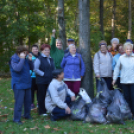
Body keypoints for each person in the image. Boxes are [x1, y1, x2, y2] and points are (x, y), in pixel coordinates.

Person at [9, 46, 33, 125]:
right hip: (18, 84)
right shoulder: (14, 59)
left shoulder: (25, 59)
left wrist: (30, 60)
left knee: (28, 101)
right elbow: (17, 69)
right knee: (19, 103)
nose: (25, 54)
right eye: (24, 52)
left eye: (26, 52)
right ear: (19, 53)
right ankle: (16, 119)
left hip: (27, 83)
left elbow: (32, 68)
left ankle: (27, 115)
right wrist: (22, 59)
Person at [113, 42, 134, 118]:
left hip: (133, 81)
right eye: (127, 49)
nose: (129, 50)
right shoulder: (121, 58)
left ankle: (133, 113)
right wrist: (114, 79)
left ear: (132, 49)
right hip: (124, 81)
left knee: (133, 97)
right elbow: (117, 69)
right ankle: (128, 113)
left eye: (130, 49)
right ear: (125, 49)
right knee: (126, 97)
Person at [34, 44, 55, 116]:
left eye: (48, 50)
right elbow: (35, 69)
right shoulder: (39, 59)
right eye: (45, 50)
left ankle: (48, 109)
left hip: (50, 80)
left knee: (49, 96)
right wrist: (43, 74)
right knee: (41, 96)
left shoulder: (51, 59)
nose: (47, 51)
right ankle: (42, 111)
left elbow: (53, 69)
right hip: (41, 81)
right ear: (42, 51)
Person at [30, 45, 40, 109]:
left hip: (39, 77)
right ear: (32, 50)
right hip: (31, 77)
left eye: (36, 49)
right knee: (31, 91)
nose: (35, 50)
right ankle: (31, 103)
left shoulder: (41, 56)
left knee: (39, 91)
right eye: (34, 49)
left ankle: (39, 103)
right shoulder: (29, 57)